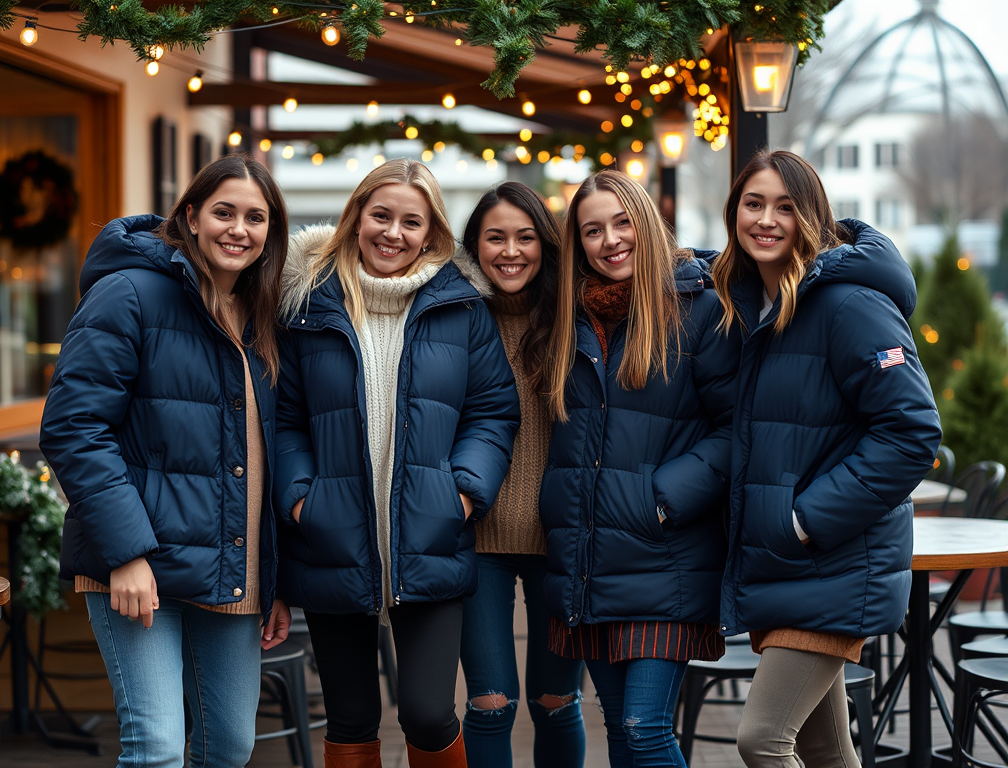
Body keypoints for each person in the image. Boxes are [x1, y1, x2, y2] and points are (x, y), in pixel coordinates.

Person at [40, 153, 291, 768]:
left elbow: (267, 452)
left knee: (229, 747)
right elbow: (74, 427)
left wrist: (276, 577)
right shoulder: (128, 293)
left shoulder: (264, 316)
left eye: (255, 218)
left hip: (233, 566)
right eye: (223, 212)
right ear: (190, 217)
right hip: (139, 568)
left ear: (270, 233)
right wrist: (126, 553)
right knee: (155, 749)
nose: (239, 229)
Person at [274, 158, 519, 768]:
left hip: (431, 535)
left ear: (432, 231)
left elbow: (492, 413)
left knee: (429, 712)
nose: (393, 233)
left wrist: (462, 492)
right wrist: (302, 498)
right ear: (355, 216)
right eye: (380, 215)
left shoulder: (462, 309)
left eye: (412, 221)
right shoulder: (308, 305)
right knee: (351, 716)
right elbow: (283, 420)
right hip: (332, 538)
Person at [712, 150, 942, 768]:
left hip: (835, 561)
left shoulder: (848, 305)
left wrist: (806, 518)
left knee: (762, 739)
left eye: (785, 207)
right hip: (794, 569)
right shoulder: (755, 306)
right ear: (732, 211)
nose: (765, 219)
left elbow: (913, 431)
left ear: (812, 217)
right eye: (753, 204)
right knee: (825, 751)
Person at [541, 170, 739, 767]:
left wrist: (664, 497)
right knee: (622, 733)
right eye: (592, 230)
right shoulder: (567, 319)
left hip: (665, 556)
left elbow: (736, 429)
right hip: (588, 560)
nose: (610, 240)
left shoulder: (698, 309)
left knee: (645, 728)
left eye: (622, 222)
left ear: (647, 223)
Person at [458, 182, 586, 768]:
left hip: (565, 538)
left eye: (525, 237)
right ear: (474, 246)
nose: (511, 251)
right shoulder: (454, 316)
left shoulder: (575, 316)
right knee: (489, 704)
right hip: (475, 538)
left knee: (556, 701)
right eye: (495, 237)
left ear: (547, 244)